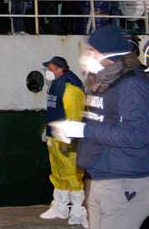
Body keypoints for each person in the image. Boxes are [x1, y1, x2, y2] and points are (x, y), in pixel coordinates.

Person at [49, 25, 149, 229]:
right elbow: (102, 124)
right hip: (100, 178)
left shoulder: (132, 85)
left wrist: (84, 131)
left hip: (124, 183)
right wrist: (75, 131)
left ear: (108, 53)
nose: (86, 55)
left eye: (91, 51)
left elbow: (139, 135)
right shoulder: (103, 83)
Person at [37, 56, 86, 225]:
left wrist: (70, 139)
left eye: (50, 69)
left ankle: (78, 211)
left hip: (66, 138)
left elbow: (74, 115)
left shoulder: (71, 88)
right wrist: (48, 130)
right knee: (58, 173)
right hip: (55, 136)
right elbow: (54, 110)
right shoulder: (55, 85)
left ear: (59, 69)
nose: (47, 73)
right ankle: (60, 207)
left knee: (72, 174)